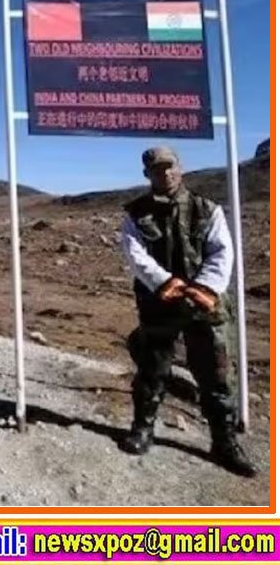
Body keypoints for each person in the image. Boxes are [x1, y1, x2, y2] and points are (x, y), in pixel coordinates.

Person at [118, 146, 255, 477]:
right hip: (159, 303)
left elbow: (221, 252)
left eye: (170, 167)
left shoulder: (207, 209)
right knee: (152, 369)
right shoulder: (135, 214)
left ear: (180, 168)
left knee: (218, 375)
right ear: (147, 174)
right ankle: (143, 428)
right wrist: (166, 284)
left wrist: (201, 289)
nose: (164, 174)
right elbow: (135, 255)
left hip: (206, 306)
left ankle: (224, 442)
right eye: (156, 169)